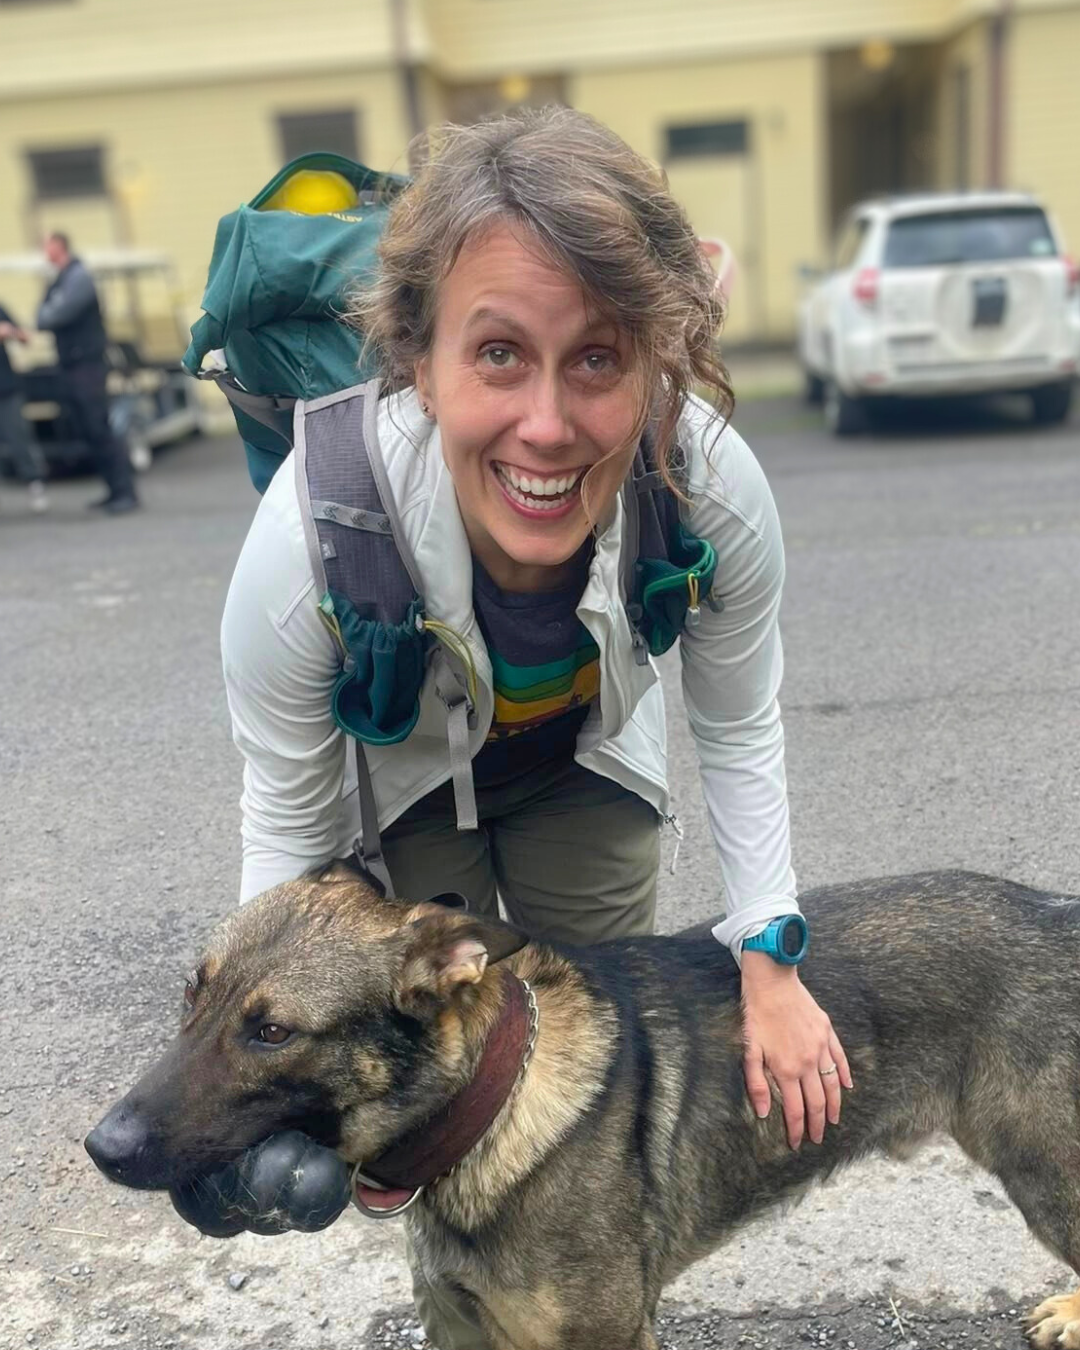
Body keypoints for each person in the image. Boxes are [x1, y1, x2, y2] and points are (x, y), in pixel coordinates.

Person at [215, 108, 852, 1348]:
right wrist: (266, 1075)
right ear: (420, 357)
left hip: (587, 767)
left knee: (588, 1092)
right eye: (498, 355)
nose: (549, 426)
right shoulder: (303, 546)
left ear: (658, 359)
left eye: (601, 359)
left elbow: (737, 722)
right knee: (435, 1096)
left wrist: (770, 958)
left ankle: (600, 1307)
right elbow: (291, 839)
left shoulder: (710, 485)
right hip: (403, 793)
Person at [36, 232, 139, 513]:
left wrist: (48, 311)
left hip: (87, 366)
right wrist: (47, 311)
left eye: (47, 245)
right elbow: (40, 317)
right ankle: (113, 490)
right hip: (72, 366)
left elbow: (53, 316)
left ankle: (125, 493)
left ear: (60, 246)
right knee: (88, 430)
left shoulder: (78, 278)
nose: (44, 251)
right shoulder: (60, 279)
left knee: (99, 427)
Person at [0, 302, 48, 513]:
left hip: (5, 387)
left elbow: (25, 337)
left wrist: (12, 332)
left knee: (19, 437)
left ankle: (35, 484)